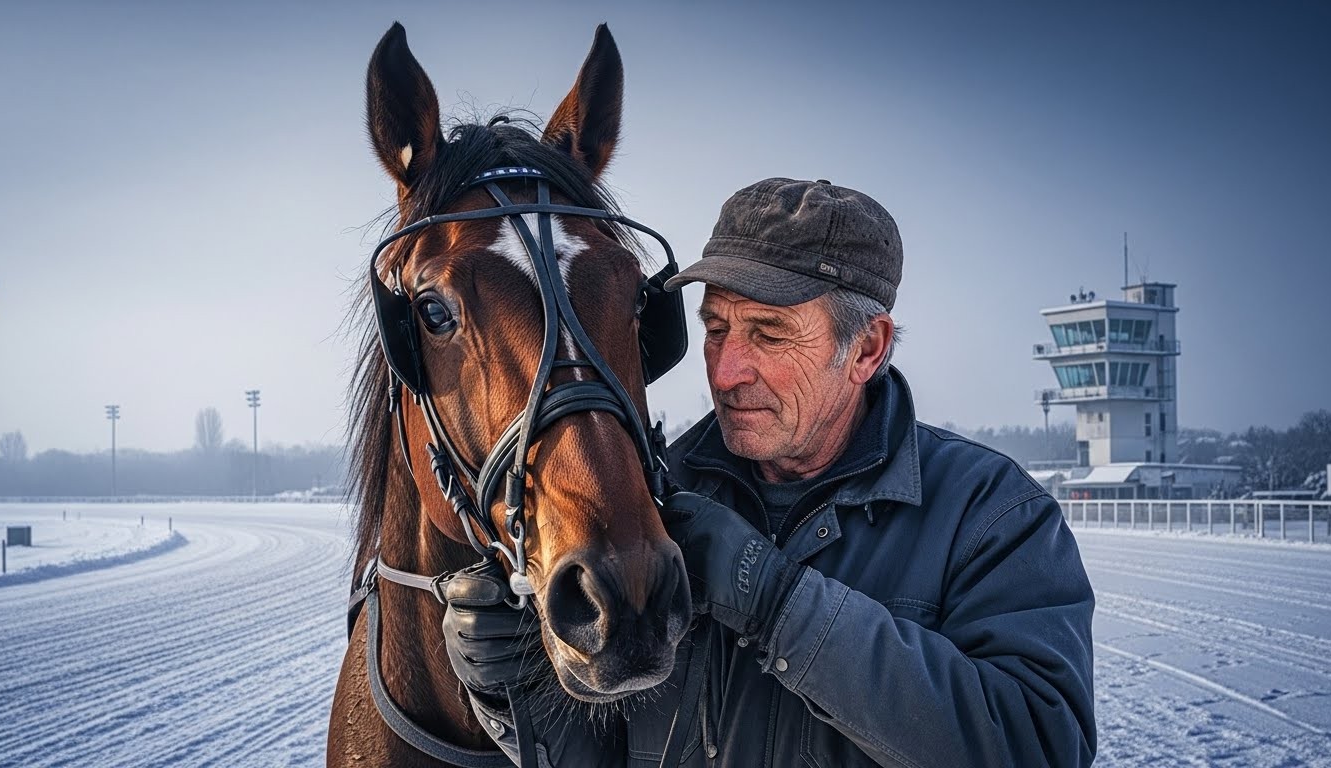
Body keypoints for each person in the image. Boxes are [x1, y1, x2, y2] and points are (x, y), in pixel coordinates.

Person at [443, 178, 1097, 767]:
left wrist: (772, 599)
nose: (725, 373)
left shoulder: (989, 513)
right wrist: (511, 693)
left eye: (769, 333)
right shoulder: (651, 504)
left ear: (865, 348)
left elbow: (1036, 747)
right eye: (716, 327)